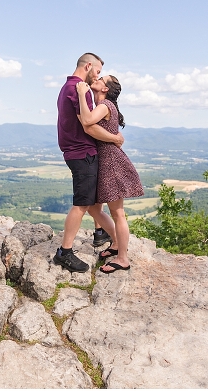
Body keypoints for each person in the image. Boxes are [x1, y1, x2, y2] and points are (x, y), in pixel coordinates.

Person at [54, 53, 122, 273]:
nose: (98, 76)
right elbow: (88, 125)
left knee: (93, 206)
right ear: (89, 66)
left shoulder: (68, 87)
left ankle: (113, 240)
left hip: (77, 152)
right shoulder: (79, 88)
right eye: (99, 71)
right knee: (83, 204)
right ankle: (65, 252)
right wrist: (115, 138)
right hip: (82, 153)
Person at [76, 75, 144, 274]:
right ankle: (115, 242)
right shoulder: (104, 105)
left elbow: (87, 121)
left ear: (105, 88)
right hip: (104, 163)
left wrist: (82, 93)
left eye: (101, 79)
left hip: (111, 163)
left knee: (117, 212)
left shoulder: (105, 105)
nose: (96, 78)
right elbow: (88, 123)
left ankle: (123, 258)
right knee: (94, 209)